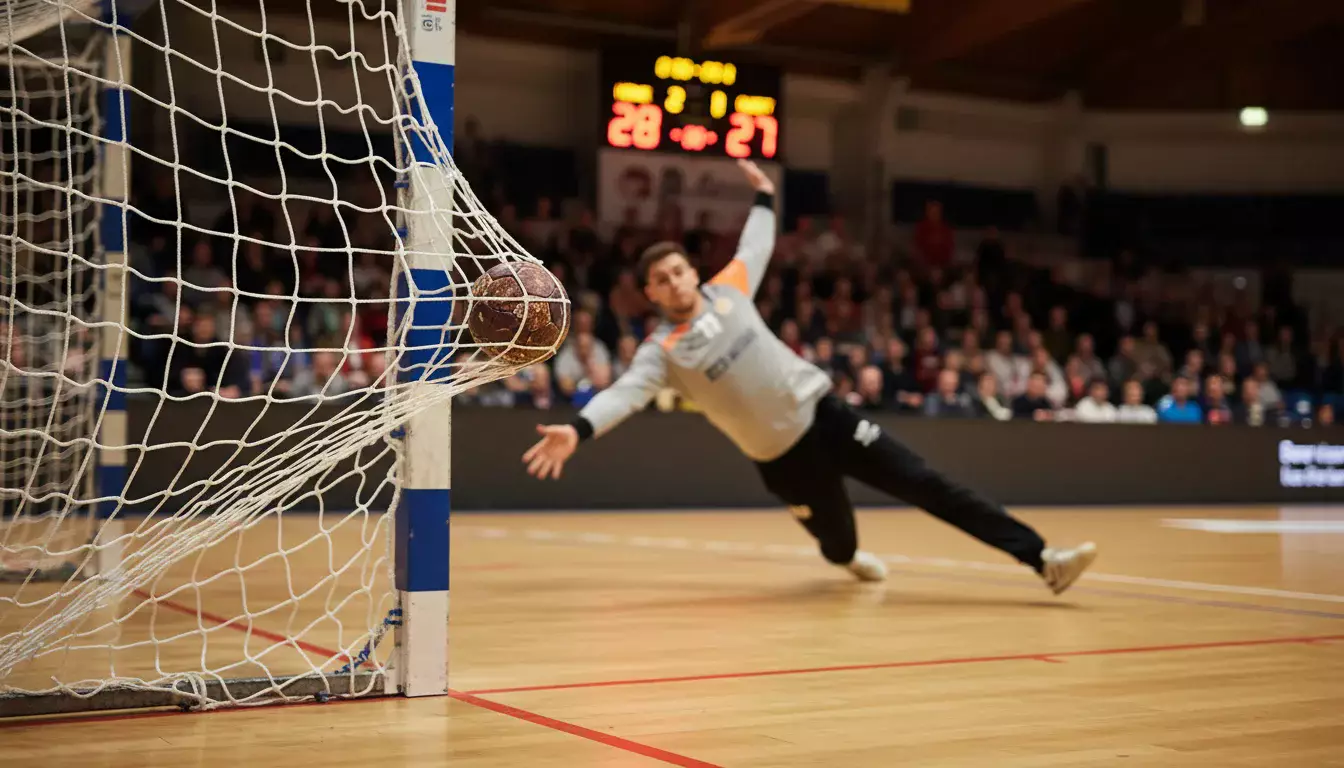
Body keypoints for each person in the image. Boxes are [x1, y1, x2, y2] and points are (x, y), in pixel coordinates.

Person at [522, 160, 1096, 595]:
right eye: (661, 280)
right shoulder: (661, 351)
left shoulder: (731, 289)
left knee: (927, 483)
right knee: (838, 542)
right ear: (650, 293)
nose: (673, 282)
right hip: (783, 460)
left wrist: (765, 194)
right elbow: (622, 395)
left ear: (693, 271)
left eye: (678, 271)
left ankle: (1043, 559)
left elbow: (758, 241)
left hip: (828, 417)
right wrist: (578, 429)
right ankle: (845, 557)